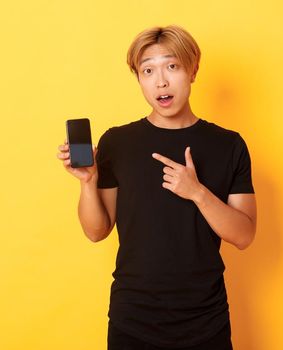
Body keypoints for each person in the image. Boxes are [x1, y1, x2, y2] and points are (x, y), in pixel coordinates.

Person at [56, 24, 257, 350]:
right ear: (139, 79)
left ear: (193, 70)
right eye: (148, 70)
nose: (160, 81)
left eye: (172, 66)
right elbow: (96, 231)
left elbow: (244, 235)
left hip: (206, 319)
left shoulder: (228, 145)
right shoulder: (117, 143)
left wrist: (197, 193)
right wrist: (89, 182)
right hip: (133, 320)